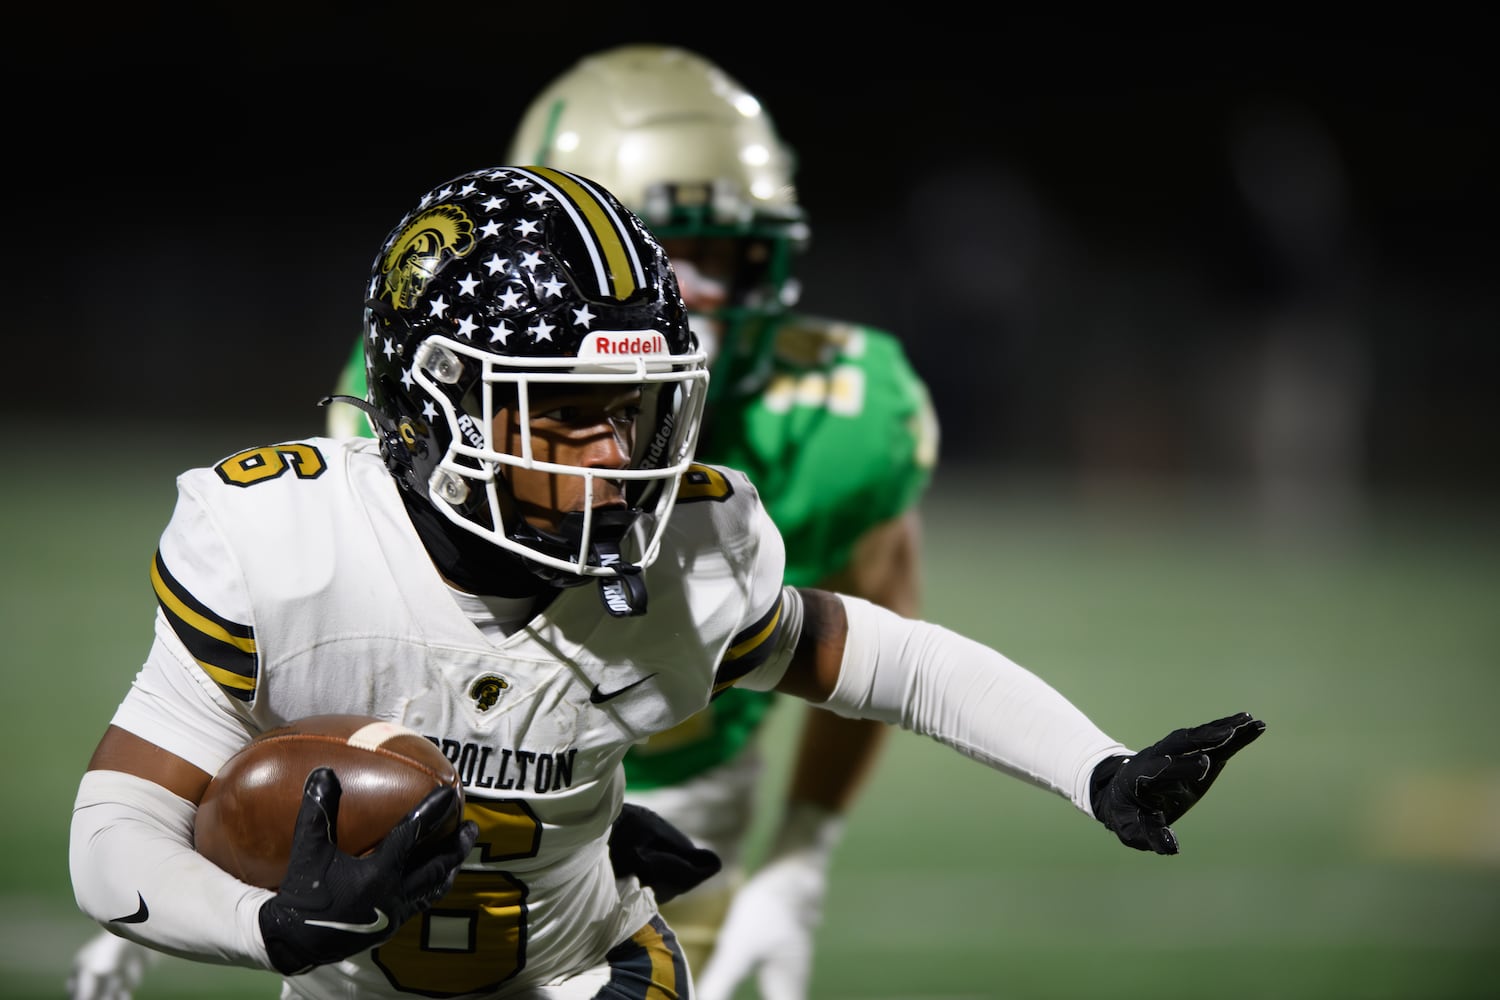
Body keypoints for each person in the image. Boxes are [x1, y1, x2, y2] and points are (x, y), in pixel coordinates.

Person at [70, 165, 1264, 1000]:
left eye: (635, 411)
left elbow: (887, 656)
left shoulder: (687, 556)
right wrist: (264, 925)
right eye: (569, 411)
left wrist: (1094, 765)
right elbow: (115, 831)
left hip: (594, 975)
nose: (618, 455)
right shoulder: (289, 548)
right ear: (435, 402)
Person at [69, 45, 935, 1000]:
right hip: (453, 762)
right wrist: (191, 865)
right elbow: (348, 655)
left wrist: (801, 849)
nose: (701, 293)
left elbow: (873, 627)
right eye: (666, 244)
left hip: (687, 775)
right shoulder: (440, 396)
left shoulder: (842, 412)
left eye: (729, 255)